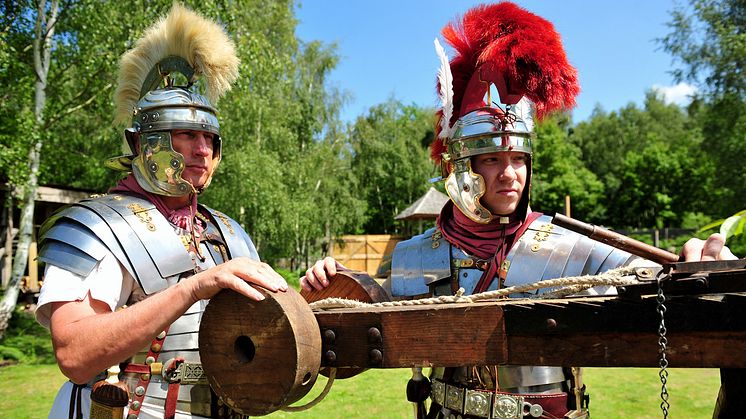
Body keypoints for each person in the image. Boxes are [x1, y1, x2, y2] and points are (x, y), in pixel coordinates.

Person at [301, 3, 735, 419]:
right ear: (461, 166)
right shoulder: (415, 256)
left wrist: (697, 265)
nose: (510, 174)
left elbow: (655, 281)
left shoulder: (567, 248)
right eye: (491, 159)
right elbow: (365, 325)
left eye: (519, 160)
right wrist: (333, 286)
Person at [34, 5, 287, 418]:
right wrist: (192, 287)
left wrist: (313, 295)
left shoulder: (226, 232)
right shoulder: (98, 226)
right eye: (187, 135)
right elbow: (75, 353)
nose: (203, 150)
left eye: (209, 138)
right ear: (145, 144)